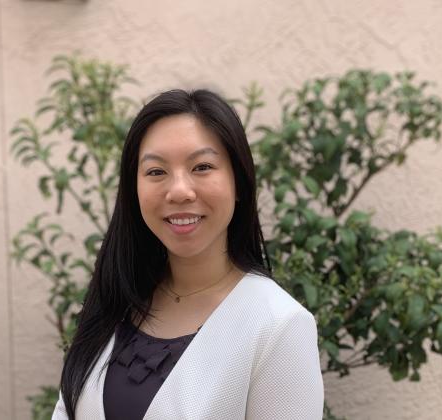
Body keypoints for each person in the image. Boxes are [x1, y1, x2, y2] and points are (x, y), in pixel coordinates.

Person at [51, 89, 324, 419]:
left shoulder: (279, 325)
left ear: (239, 182)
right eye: (156, 171)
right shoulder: (117, 298)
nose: (179, 191)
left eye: (202, 166)